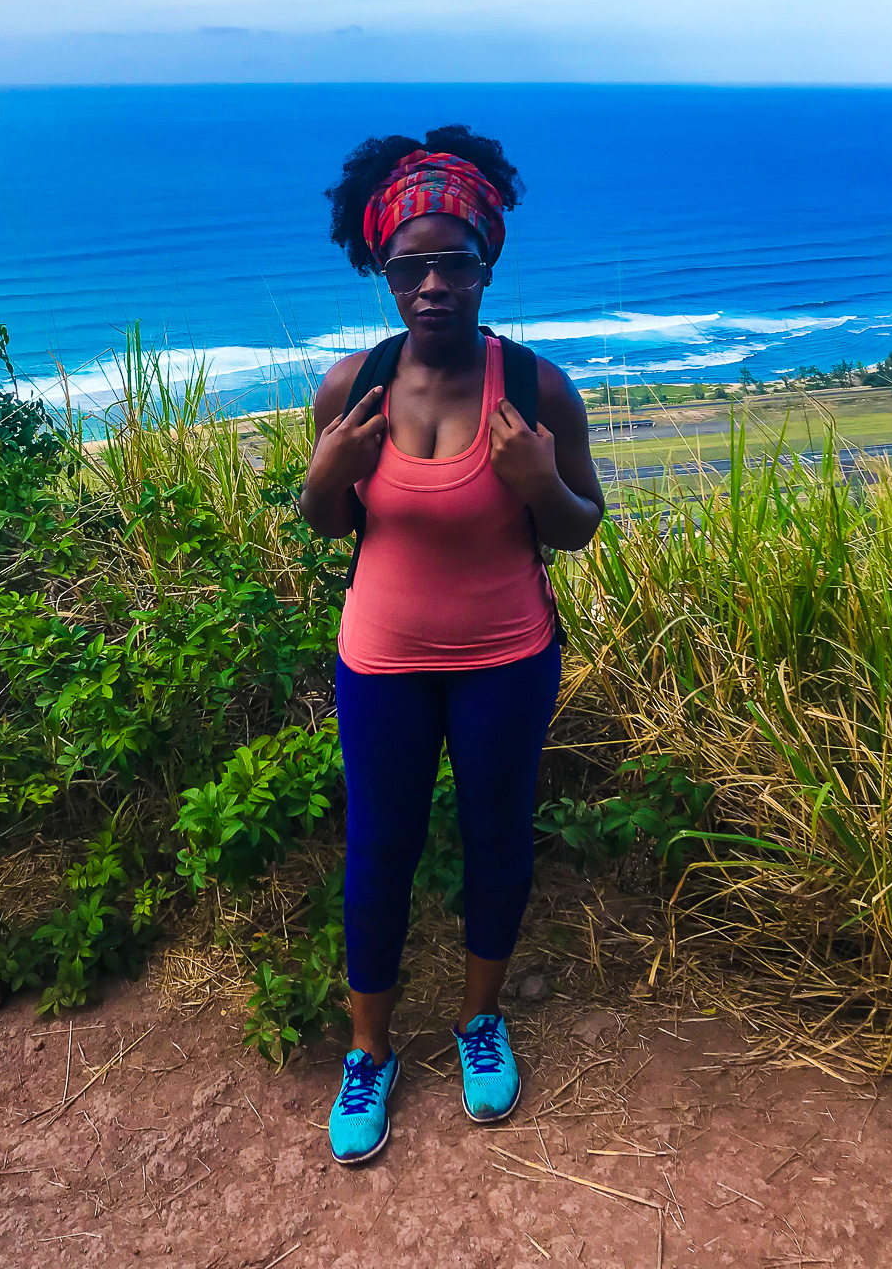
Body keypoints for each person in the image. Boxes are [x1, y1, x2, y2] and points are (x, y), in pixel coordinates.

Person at [300, 124, 604, 1166]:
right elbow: (330, 524)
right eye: (409, 264)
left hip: (507, 656)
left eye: (454, 260)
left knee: (498, 841)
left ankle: (480, 1021)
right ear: (380, 267)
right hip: (381, 658)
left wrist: (537, 482)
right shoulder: (351, 388)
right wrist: (324, 470)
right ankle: (370, 1047)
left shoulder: (537, 389)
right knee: (378, 852)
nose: (433, 283)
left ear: (487, 262)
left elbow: (578, 524)